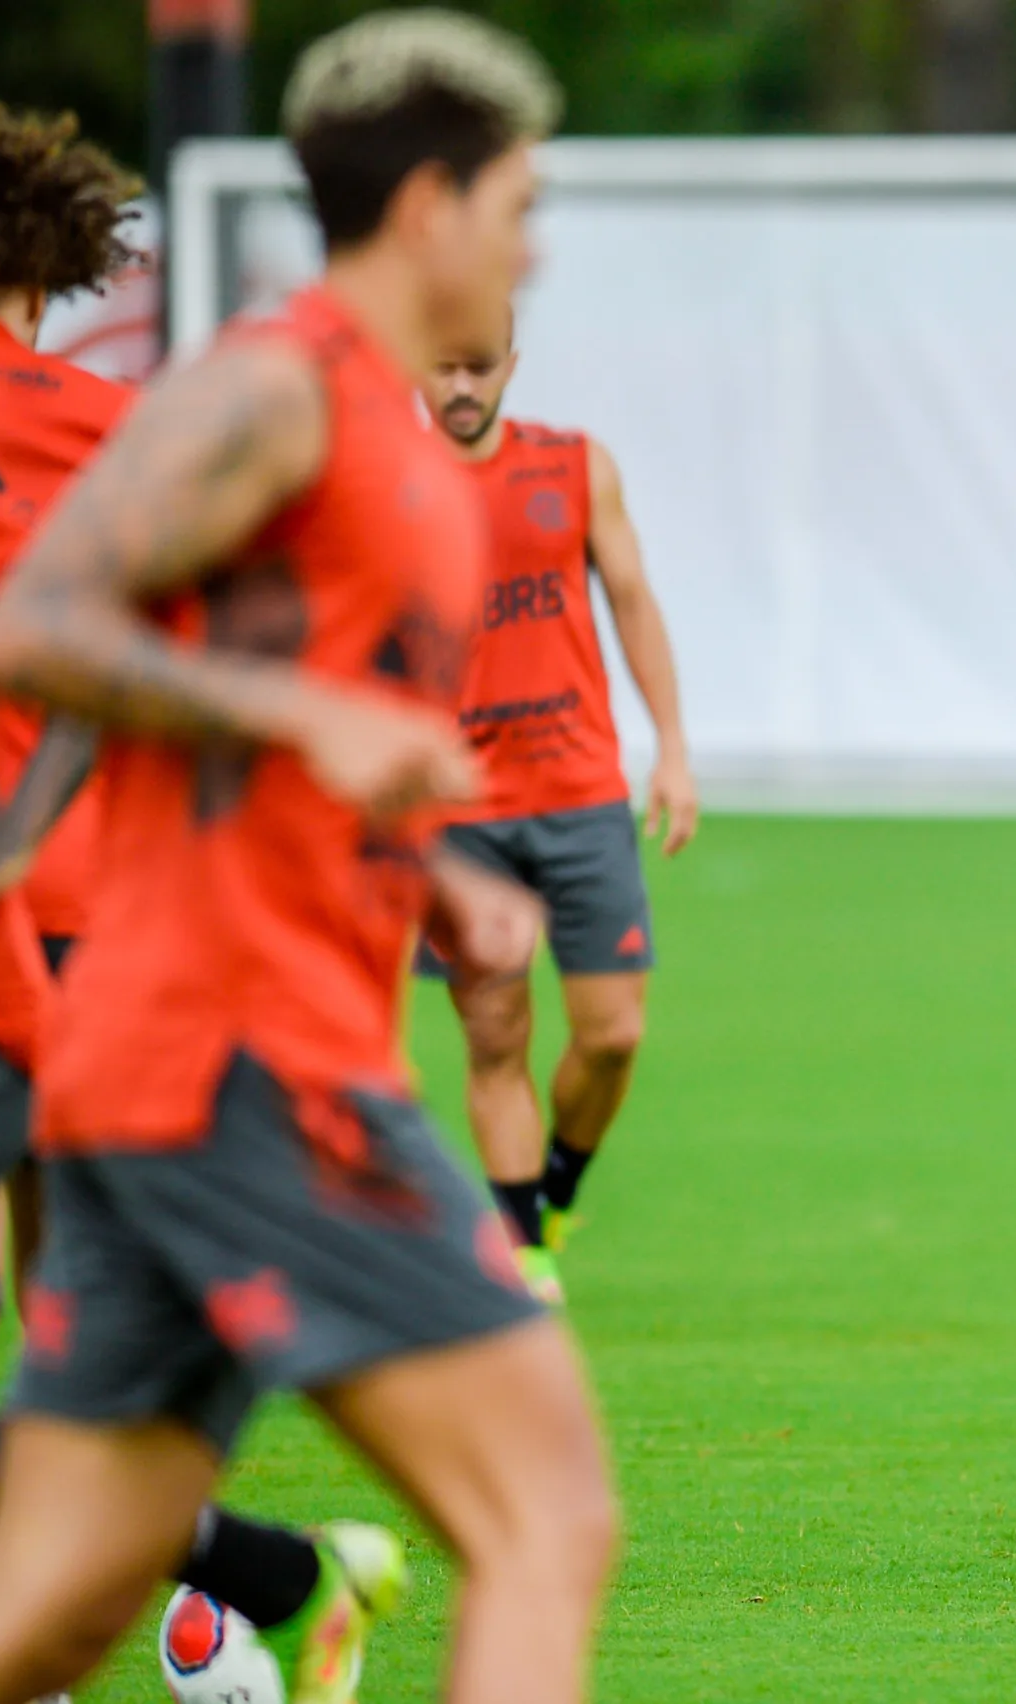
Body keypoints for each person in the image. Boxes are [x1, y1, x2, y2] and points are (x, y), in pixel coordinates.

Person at [0, 16, 618, 1703]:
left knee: (48, 1602)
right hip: (244, 1052)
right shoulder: (271, 382)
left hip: (156, 1063)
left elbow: (161, 677)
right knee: (550, 1512)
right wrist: (306, 724)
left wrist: (415, 850)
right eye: (521, 201)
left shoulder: (384, 431)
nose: (536, 244)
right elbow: (38, 621)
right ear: (431, 203)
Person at [0, 96, 397, 1697]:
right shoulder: (114, 429)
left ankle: (159, 1625)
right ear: (48, 275)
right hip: (89, 948)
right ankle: (264, 1580)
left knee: (62, 1357)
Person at [418, 316, 697, 1304]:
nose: (460, 385)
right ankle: (521, 1251)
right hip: (456, 815)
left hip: (579, 793)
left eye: (477, 366)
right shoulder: (385, 481)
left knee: (613, 1032)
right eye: (443, 364)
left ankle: (556, 1187)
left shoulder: (577, 466)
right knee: (494, 1034)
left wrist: (670, 747)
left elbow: (630, 596)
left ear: (511, 367)